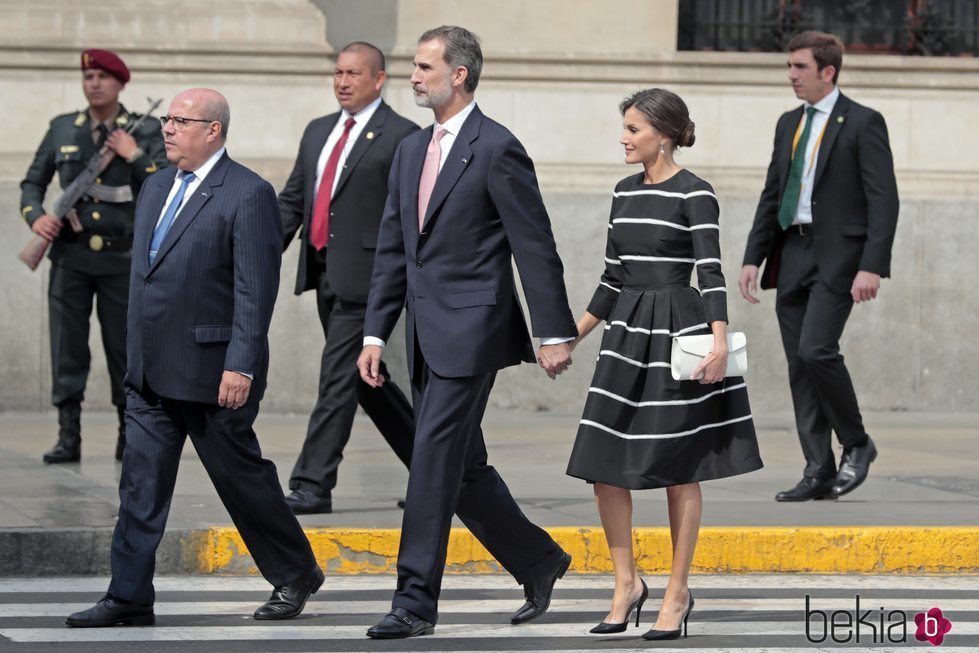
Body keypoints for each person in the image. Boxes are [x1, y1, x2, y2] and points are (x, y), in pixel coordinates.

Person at [65, 89, 323, 628]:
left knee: (241, 480)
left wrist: (242, 363)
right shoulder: (157, 185)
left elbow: (256, 289)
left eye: (181, 121)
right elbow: (148, 276)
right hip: (151, 372)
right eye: (167, 119)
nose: (168, 129)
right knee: (139, 486)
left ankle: (295, 571)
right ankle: (129, 594)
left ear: (214, 130)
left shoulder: (249, 193)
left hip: (213, 370)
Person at [357, 25, 578, 639]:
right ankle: (538, 559)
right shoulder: (409, 151)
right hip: (422, 335)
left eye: (425, 66)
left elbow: (535, 248)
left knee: (430, 461)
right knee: (462, 464)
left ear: (459, 74)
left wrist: (552, 332)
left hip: (473, 330)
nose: (413, 76)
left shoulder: (497, 147)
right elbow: (395, 253)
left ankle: (414, 602)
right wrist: (375, 333)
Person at [566, 88, 763, 641]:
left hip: (680, 333)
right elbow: (611, 278)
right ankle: (625, 584)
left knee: (680, 466)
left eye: (632, 129)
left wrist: (719, 342)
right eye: (624, 128)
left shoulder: (696, 193)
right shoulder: (623, 193)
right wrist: (572, 338)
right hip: (626, 335)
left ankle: (676, 594)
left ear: (664, 133)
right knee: (603, 463)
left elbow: (711, 271)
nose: (623, 138)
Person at [738, 31, 899, 502]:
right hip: (792, 253)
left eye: (800, 67)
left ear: (828, 72)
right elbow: (772, 194)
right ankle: (818, 469)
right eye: (789, 66)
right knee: (798, 365)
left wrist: (872, 265)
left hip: (840, 258)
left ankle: (857, 443)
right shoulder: (788, 123)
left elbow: (883, 200)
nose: (791, 75)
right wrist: (753, 256)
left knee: (816, 350)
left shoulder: (864, 122)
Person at [279, 42, 419, 515]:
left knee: (337, 377)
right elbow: (294, 200)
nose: (342, 82)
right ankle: (440, 470)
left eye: (353, 74)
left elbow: (411, 214)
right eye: (337, 72)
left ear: (378, 79)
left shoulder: (402, 135)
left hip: (370, 280)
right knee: (365, 379)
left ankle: (312, 483)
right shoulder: (318, 131)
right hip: (322, 271)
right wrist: (254, 253)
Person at [20, 49, 167, 464]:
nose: (94, 84)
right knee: (68, 346)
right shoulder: (63, 128)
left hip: (123, 260)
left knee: (125, 347)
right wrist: (37, 219)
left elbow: (166, 183)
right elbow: (32, 183)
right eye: (88, 77)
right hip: (71, 256)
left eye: (103, 76)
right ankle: (69, 435)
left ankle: (129, 432)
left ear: (121, 83)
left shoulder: (145, 129)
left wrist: (133, 155)